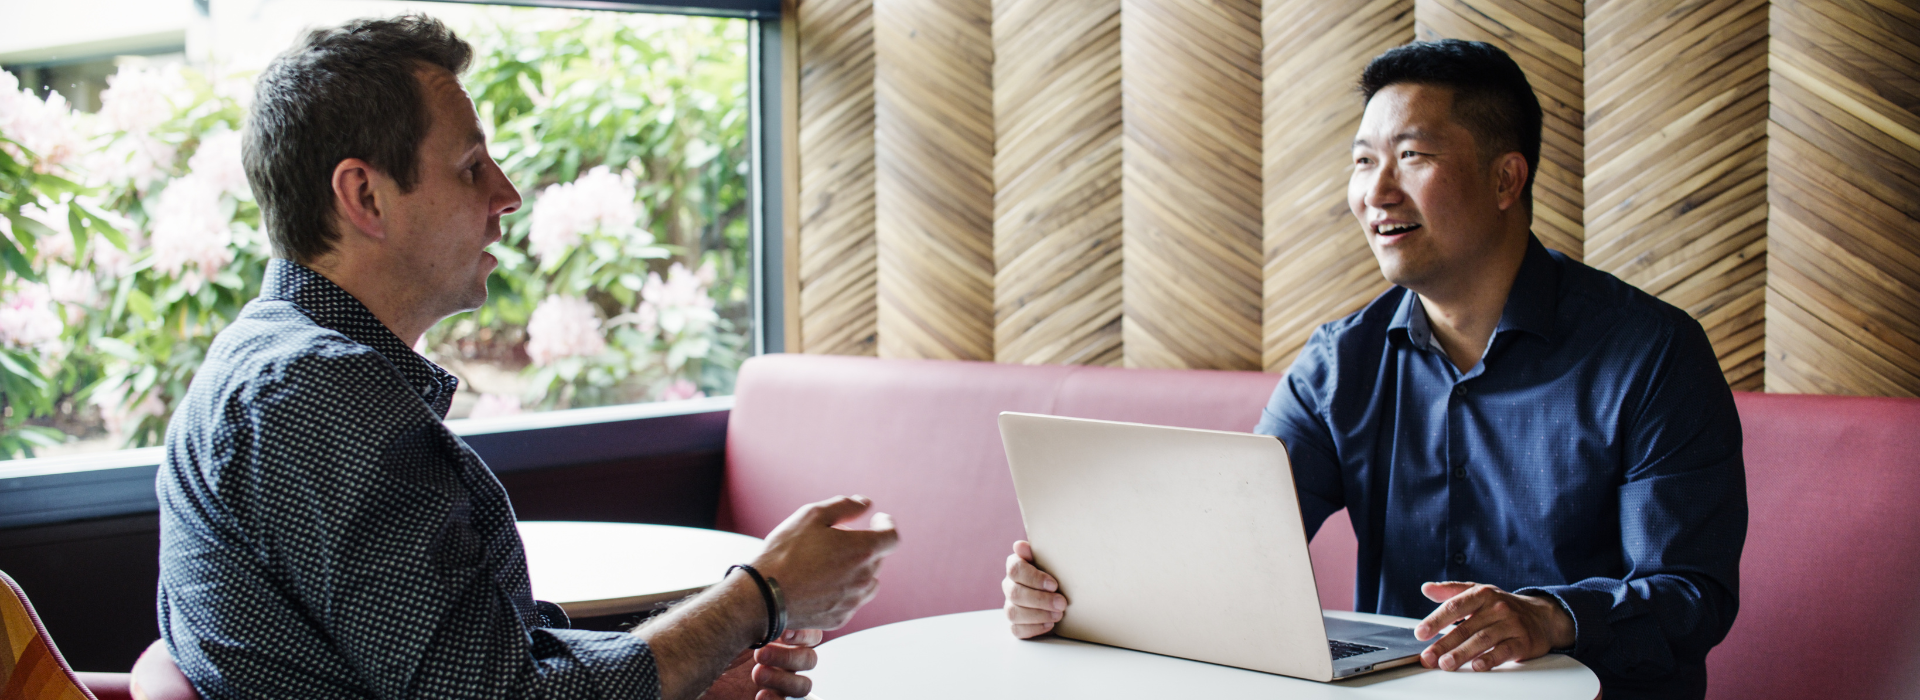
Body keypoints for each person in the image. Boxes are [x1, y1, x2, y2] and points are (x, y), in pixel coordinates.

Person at [156, 16, 898, 700]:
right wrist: (757, 599)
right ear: (364, 197)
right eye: (471, 166)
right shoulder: (318, 391)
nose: (506, 195)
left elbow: (470, 654)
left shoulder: (272, 360)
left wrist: (692, 666)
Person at [1001, 39, 1745, 700]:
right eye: (1363, 161)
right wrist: (1072, 593)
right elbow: (1226, 546)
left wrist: (1548, 617)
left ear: (1505, 180)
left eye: (1412, 157)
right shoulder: (1340, 362)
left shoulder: (1652, 353)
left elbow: (1690, 591)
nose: (1375, 192)